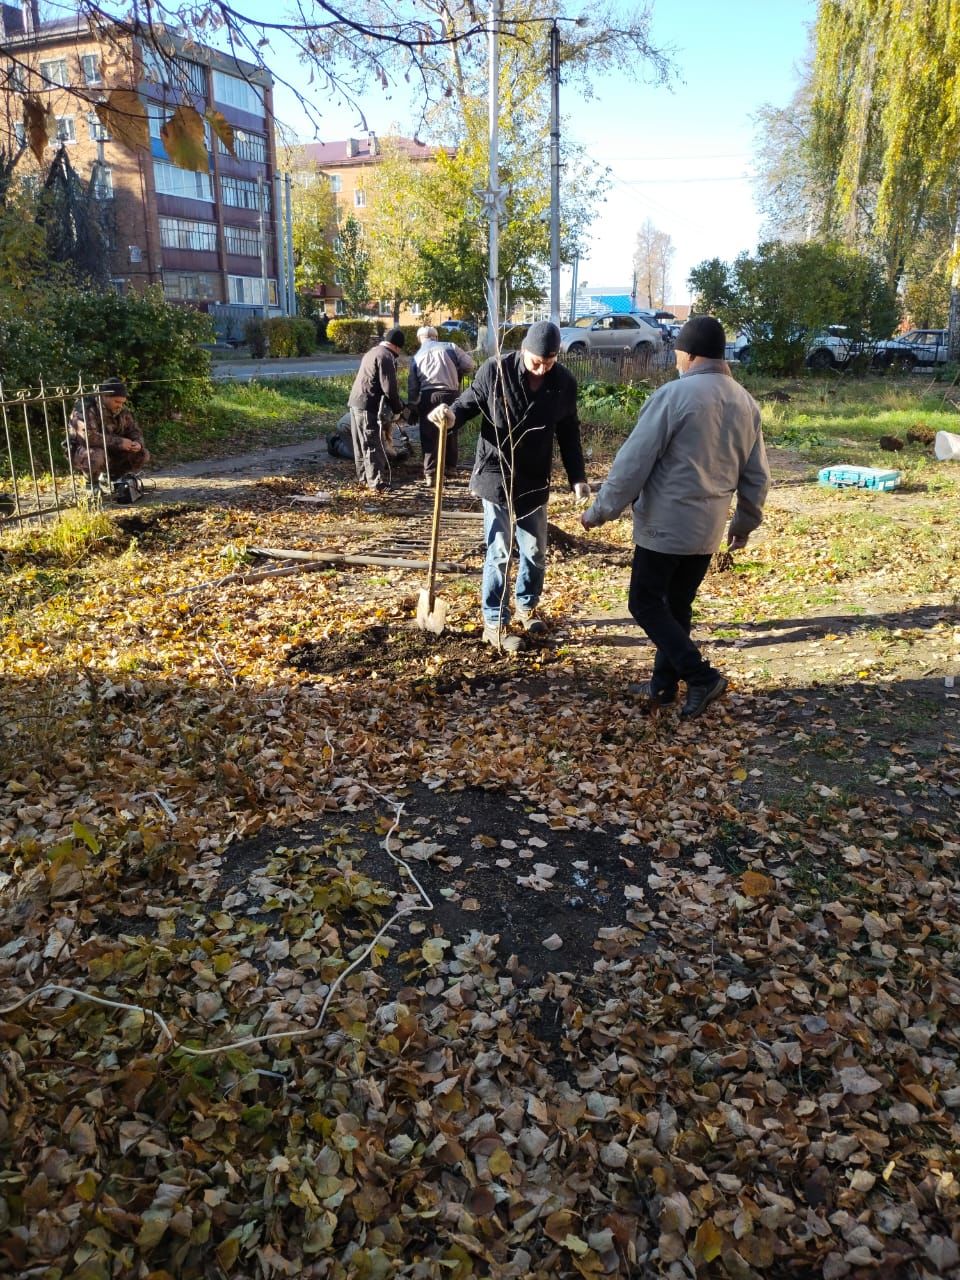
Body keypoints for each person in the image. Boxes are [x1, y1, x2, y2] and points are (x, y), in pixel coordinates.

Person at [581, 315, 770, 718]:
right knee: (678, 605)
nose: (676, 361)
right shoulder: (745, 402)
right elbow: (756, 475)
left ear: (689, 354)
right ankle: (663, 686)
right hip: (708, 529)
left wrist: (601, 511)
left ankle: (700, 675)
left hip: (664, 527)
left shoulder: (674, 396)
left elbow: (633, 462)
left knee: (644, 603)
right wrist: (744, 524)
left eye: (678, 354)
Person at [429, 320, 590, 653]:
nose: (542, 368)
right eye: (536, 361)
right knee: (499, 550)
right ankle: (494, 622)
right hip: (496, 474)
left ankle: (526, 606)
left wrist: (578, 478)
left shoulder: (563, 383)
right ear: (523, 350)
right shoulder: (496, 371)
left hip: (533, 479)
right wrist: (450, 415)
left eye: (549, 362)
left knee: (534, 551)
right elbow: (468, 403)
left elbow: (569, 433)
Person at [408, 325, 476, 485]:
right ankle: (450, 468)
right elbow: (470, 365)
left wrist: (413, 405)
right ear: (436, 337)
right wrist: (457, 370)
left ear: (420, 340)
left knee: (428, 433)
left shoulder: (417, 356)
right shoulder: (451, 347)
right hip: (450, 394)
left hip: (428, 396)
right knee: (451, 430)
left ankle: (431, 474)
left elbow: (413, 385)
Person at [346, 327, 407, 492]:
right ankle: (376, 483)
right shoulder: (386, 356)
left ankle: (364, 478)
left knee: (360, 443)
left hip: (355, 402)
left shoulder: (373, 351)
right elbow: (389, 389)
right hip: (368, 404)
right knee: (372, 442)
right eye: (399, 349)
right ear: (396, 346)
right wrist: (398, 409)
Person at [68, 377, 149, 484]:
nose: (120, 405)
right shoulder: (86, 408)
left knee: (142, 454)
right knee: (96, 455)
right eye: (116, 401)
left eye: (122, 402)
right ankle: (91, 484)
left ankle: (113, 478)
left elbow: (134, 430)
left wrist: (137, 443)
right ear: (105, 397)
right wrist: (120, 442)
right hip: (82, 451)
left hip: (110, 449)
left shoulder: (120, 410)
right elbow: (87, 437)